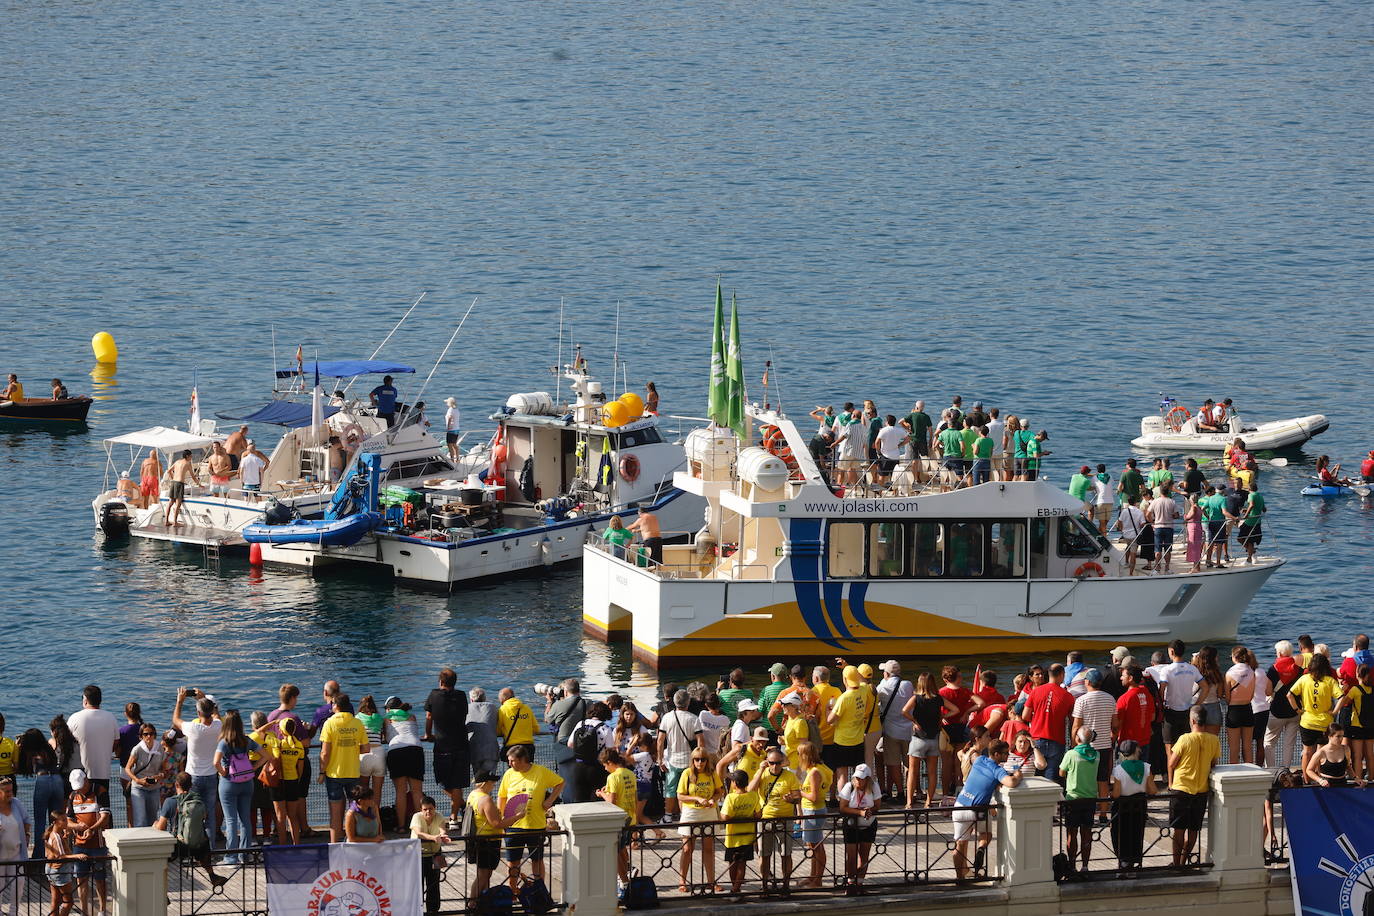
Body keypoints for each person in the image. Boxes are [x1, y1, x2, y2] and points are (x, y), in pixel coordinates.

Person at [496, 744, 563, 891]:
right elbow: (501, 797)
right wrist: (501, 822)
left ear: (522, 759)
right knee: (513, 862)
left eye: (512, 761)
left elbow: (560, 782)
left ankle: (539, 891)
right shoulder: (509, 774)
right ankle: (513, 891)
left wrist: (549, 800)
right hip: (513, 827)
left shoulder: (540, 771)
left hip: (536, 825)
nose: (509, 764)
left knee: (537, 860)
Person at [954, 740, 1022, 879]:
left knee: (959, 845)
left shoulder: (979, 760)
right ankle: (981, 848)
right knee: (986, 835)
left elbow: (970, 757)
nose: (1007, 756)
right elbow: (1011, 783)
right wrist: (1017, 775)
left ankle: (959, 878)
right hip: (978, 809)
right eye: (1005, 753)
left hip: (960, 805)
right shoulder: (998, 770)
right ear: (996, 754)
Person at [152, 772, 227, 890]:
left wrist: (155, 824)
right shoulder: (197, 800)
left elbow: (161, 827)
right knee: (203, 840)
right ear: (190, 785)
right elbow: (204, 817)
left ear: (176, 784)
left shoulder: (170, 802)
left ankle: (162, 890)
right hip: (197, 847)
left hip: (179, 847)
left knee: (160, 858)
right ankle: (212, 876)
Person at [1167, 705, 1220, 866]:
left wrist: (1170, 783)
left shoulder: (1184, 739)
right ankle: (1184, 861)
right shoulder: (1214, 740)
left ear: (1192, 720)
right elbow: (1213, 763)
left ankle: (1176, 864)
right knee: (1193, 829)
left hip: (1181, 788)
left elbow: (1172, 763)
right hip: (1201, 790)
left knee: (1179, 829)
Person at [171, 688, 221, 848]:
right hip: (212, 775)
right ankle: (211, 849)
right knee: (210, 814)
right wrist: (204, 697)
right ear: (212, 709)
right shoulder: (218, 725)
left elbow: (176, 719)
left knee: (190, 812)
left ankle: (191, 847)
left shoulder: (193, 728)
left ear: (198, 712)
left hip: (194, 777)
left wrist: (180, 701)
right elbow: (216, 715)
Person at [319, 693, 370, 843]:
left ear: (336, 705)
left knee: (335, 815)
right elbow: (366, 748)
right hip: (353, 772)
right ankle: (354, 843)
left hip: (334, 774)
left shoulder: (330, 723)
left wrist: (322, 771)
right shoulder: (357, 723)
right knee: (354, 811)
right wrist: (353, 749)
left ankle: (335, 848)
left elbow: (325, 752)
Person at [749, 747, 801, 893]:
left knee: (786, 854)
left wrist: (791, 799)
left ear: (782, 762)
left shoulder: (790, 776)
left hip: (785, 820)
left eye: (778, 763)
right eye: (771, 763)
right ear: (767, 762)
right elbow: (750, 789)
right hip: (765, 820)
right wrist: (760, 770)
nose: (775, 766)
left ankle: (785, 884)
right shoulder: (763, 774)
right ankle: (765, 884)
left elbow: (798, 797)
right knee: (764, 855)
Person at [903, 672, 958, 807]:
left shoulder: (916, 698)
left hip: (918, 739)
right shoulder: (938, 699)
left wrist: (914, 721)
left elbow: (904, 711)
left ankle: (909, 802)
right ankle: (928, 802)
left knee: (913, 771)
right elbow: (955, 709)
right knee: (932, 772)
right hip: (934, 739)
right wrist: (941, 718)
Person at [424, 668, 471, 827]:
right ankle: (455, 817)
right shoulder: (461, 696)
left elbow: (429, 717)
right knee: (457, 783)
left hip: (442, 745)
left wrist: (428, 734)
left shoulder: (434, 695)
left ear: (441, 682)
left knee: (442, 781)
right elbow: (464, 716)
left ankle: (460, 810)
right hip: (461, 744)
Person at [213, 710, 262, 861]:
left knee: (231, 820)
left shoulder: (224, 742)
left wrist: (222, 772)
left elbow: (215, 762)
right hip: (247, 782)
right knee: (245, 819)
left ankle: (231, 857)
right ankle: (244, 855)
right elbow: (267, 755)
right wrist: (253, 768)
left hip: (229, 783)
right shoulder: (246, 740)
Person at [675, 749, 722, 892]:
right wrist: (697, 798)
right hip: (691, 812)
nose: (700, 762)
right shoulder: (687, 773)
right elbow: (680, 796)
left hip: (708, 812)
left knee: (708, 848)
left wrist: (713, 800)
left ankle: (711, 881)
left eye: (702, 759)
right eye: (697, 759)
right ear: (693, 760)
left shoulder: (712, 773)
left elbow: (719, 791)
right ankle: (682, 881)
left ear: (707, 761)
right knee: (687, 848)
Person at [67, 684, 119, 813]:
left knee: (80, 810)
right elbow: (116, 742)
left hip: (79, 774)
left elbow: (65, 743)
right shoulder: (110, 717)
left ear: (85, 699)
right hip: (103, 772)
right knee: (103, 809)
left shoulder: (74, 718)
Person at [1070, 670, 1118, 807]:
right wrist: (1112, 738)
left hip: (1085, 747)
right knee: (1103, 780)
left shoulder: (1081, 701)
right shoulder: (1110, 699)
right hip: (1104, 746)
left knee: (1085, 779)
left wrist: (1074, 745)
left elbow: (1076, 726)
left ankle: (1087, 808)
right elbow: (1115, 725)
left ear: (1088, 682)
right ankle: (1103, 812)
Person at [66, 769, 110, 916]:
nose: (79, 790)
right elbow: (68, 820)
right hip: (79, 846)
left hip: (98, 845)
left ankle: (102, 910)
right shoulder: (73, 795)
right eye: (76, 787)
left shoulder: (100, 791)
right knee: (81, 880)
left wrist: (91, 829)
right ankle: (84, 911)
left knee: (100, 879)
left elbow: (105, 818)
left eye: (80, 786)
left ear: (86, 780)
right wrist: (77, 826)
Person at [1289, 652, 1339, 776]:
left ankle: (1306, 779)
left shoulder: (1304, 679)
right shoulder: (1330, 681)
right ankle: (1319, 777)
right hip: (1324, 722)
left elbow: (1289, 695)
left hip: (1307, 721)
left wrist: (1298, 710)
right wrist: (1334, 711)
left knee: (1307, 752)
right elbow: (1342, 697)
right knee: (1321, 752)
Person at [1022, 663, 1074, 782]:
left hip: (1036, 739)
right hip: (1056, 741)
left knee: (1035, 777)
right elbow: (1072, 721)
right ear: (1062, 675)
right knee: (1050, 780)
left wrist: (1038, 719)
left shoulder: (1035, 692)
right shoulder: (1068, 696)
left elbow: (1025, 715)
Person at [1059, 727, 1100, 875]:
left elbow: (1061, 772)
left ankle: (1072, 865)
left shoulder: (1071, 754)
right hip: (1090, 798)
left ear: (1077, 738)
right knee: (1086, 833)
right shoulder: (1097, 755)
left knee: (1072, 833)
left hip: (1073, 798)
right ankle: (1085, 866)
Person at [657, 690, 702, 821]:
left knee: (670, 789)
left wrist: (660, 760)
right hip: (689, 761)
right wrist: (699, 758)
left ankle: (668, 816)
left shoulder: (666, 717)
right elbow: (700, 740)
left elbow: (660, 740)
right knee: (689, 788)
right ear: (688, 702)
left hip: (672, 760)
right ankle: (686, 815)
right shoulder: (694, 719)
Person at [1110, 739, 1156, 869]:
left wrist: (1111, 795)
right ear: (1137, 751)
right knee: (1137, 832)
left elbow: (1117, 793)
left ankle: (1123, 861)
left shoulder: (1118, 769)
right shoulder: (1146, 767)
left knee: (1121, 834)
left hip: (1122, 807)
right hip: (1139, 805)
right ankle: (1136, 860)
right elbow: (1153, 790)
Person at [594, 749, 637, 887]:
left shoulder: (612, 777)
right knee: (622, 848)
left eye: (605, 766)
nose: (605, 769)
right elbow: (634, 797)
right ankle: (628, 872)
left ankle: (623, 881)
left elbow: (611, 802)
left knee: (615, 852)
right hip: (631, 817)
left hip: (618, 819)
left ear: (610, 762)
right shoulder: (630, 774)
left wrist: (601, 794)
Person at [381, 696, 423, 833]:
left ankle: (400, 826)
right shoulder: (412, 716)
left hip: (396, 752)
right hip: (415, 750)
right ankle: (420, 826)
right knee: (416, 792)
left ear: (388, 708)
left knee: (400, 792)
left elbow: (387, 739)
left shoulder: (387, 718)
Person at [838, 763, 880, 895]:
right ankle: (850, 882)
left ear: (867, 779)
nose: (858, 781)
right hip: (851, 824)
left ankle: (860, 882)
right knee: (851, 855)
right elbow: (842, 807)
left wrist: (869, 811)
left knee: (864, 855)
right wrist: (860, 812)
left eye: (861, 778)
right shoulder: (849, 786)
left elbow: (878, 806)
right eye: (856, 778)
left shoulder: (874, 787)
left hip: (869, 825)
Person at [1156, 640, 1203, 759]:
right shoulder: (1192, 668)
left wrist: (1162, 704)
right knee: (1185, 749)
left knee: (1170, 751)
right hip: (1187, 711)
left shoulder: (1167, 670)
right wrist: (1196, 704)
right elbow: (1205, 687)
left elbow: (1162, 690)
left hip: (1171, 712)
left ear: (1171, 652)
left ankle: (1172, 778)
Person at [721, 769, 761, 896]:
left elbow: (725, 816)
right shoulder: (753, 795)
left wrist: (735, 817)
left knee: (732, 862)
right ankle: (736, 888)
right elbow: (758, 814)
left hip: (733, 837)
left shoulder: (731, 798)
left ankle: (735, 888)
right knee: (742, 863)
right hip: (748, 835)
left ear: (735, 783)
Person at [1264, 640, 1305, 768]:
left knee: (1269, 743)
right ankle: (1286, 769)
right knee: (1289, 744)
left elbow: (1268, 691)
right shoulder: (1299, 670)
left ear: (1281, 653)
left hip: (1277, 712)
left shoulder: (1273, 669)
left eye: (1277, 652)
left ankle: (1271, 770)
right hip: (1294, 711)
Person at [412, 794, 454, 913]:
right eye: (425, 809)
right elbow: (419, 833)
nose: (428, 812)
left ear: (435, 808)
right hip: (418, 856)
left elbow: (442, 829)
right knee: (418, 886)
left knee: (434, 884)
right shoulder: (416, 817)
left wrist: (443, 835)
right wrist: (433, 837)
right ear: (421, 810)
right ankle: (417, 911)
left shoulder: (439, 816)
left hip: (435, 854)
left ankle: (433, 911)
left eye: (430, 809)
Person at [1335, 664, 1374, 782]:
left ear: (1358, 675)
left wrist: (1334, 711)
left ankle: (1359, 780)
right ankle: (1371, 778)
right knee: (1370, 755)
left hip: (1357, 726)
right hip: (1371, 726)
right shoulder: (1372, 689)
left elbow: (1343, 701)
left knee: (1357, 756)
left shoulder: (1355, 689)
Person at [123, 722, 165, 828]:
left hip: (154, 787)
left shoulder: (159, 748)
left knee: (153, 820)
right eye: (145, 734)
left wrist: (160, 775)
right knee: (140, 820)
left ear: (155, 735)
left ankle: (151, 843)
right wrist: (137, 780)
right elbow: (127, 768)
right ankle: (139, 843)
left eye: (151, 734)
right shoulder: (137, 749)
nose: (149, 736)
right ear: (141, 736)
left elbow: (163, 768)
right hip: (139, 788)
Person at [44, 808, 82, 916]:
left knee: (55, 901)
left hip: (50, 868)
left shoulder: (51, 833)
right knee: (68, 902)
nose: (66, 822)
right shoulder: (57, 837)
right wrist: (77, 856)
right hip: (59, 870)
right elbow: (60, 857)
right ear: (56, 822)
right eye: (63, 820)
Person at [0, 776, 30, 913]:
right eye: (6, 791)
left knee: (18, 883)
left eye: (11, 790)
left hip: (16, 853)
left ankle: (14, 912)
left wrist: (27, 836)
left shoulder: (16, 803)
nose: (10, 794)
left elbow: (27, 820)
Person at [1223, 646, 1257, 763]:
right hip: (1248, 708)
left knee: (1234, 749)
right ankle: (1250, 774)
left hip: (1234, 711)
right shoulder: (1252, 672)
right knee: (1248, 747)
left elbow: (1227, 698)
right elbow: (1252, 695)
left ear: (1234, 657)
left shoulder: (1229, 673)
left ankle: (1234, 775)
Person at [1147, 484, 1179, 572]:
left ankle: (1157, 568)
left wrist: (1152, 522)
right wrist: (1172, 516)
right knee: (1168, 549)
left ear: (1160, 491)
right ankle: (1167, 568)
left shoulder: (1155, 501)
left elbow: (1147, 514)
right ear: (1168, 491)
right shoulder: (1172, 502)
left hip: (1158, 526)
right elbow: (1176, 515)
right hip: (1169, 527)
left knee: (1157, 549)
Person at [166, 450, 199, 526]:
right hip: (179, 484)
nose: (191, 457)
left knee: (170, 502)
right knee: (178, 503)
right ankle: (175, 522)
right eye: (191, 456)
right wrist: (199, 484)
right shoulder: (187, 463)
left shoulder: (177, 462)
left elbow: (169, 471)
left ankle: (166, 521)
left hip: (173, 482)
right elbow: (193, 476)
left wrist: (172, 478)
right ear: (187, 456)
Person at [1238, 482, 1266, 564]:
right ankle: (1251, 555)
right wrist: (1247, 510)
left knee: (1240, 538)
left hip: (1250, 521)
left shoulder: (1251, 495)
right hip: (1257, 521)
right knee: (1251, 540)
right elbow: (1263, 509)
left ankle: (1250, 557)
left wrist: (1246, 515)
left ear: (1249, 489)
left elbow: (1252, 505)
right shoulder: (1260, 496)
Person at [1183, 492, 1204, 573]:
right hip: (1197, 527)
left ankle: (1196, 567)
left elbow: (1189, 517)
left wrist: (1185, 516)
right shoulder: (1198, 507)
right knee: (1197, 547)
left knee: (1194, 546)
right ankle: (1196, 566)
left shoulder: (1194, 508)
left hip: (1193, 528)